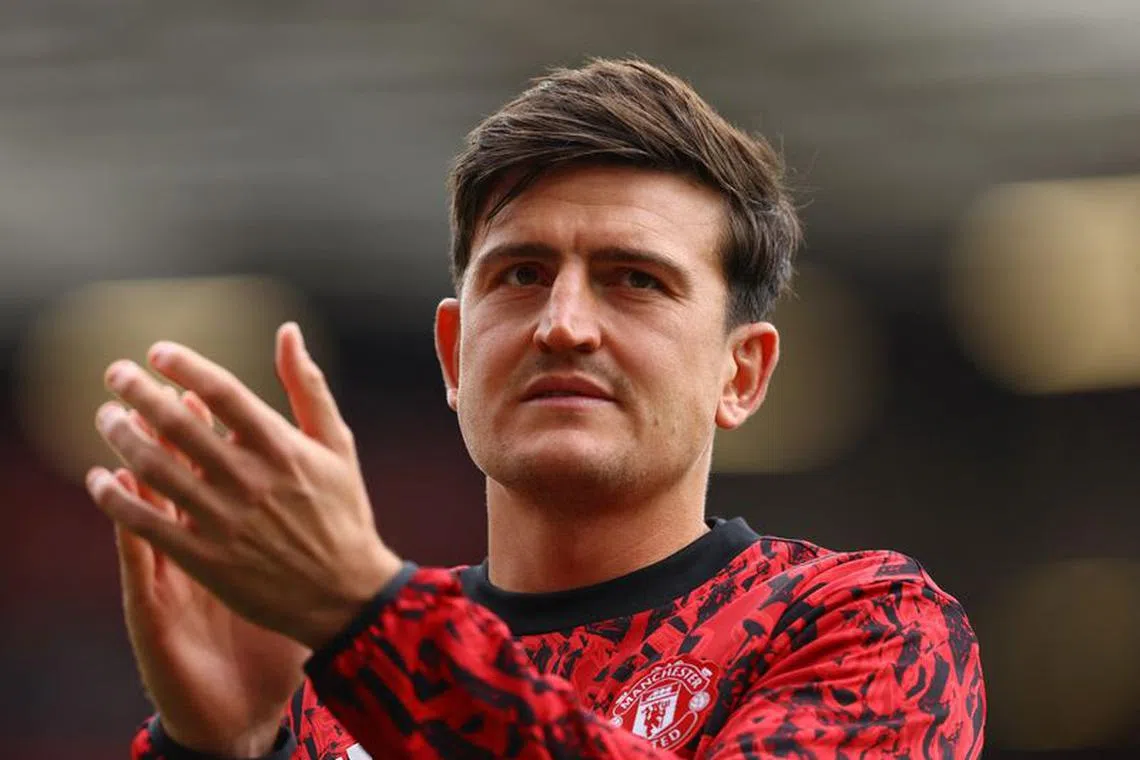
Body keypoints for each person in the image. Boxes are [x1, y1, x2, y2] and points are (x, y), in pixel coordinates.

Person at [87, 59, 985, 759]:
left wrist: (367, 619)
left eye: (635, 280)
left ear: (740, 375)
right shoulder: (321, 686)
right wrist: (220, 747)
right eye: (521, 276)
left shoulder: (865, 627)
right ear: (453, 353)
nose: (563, 325)